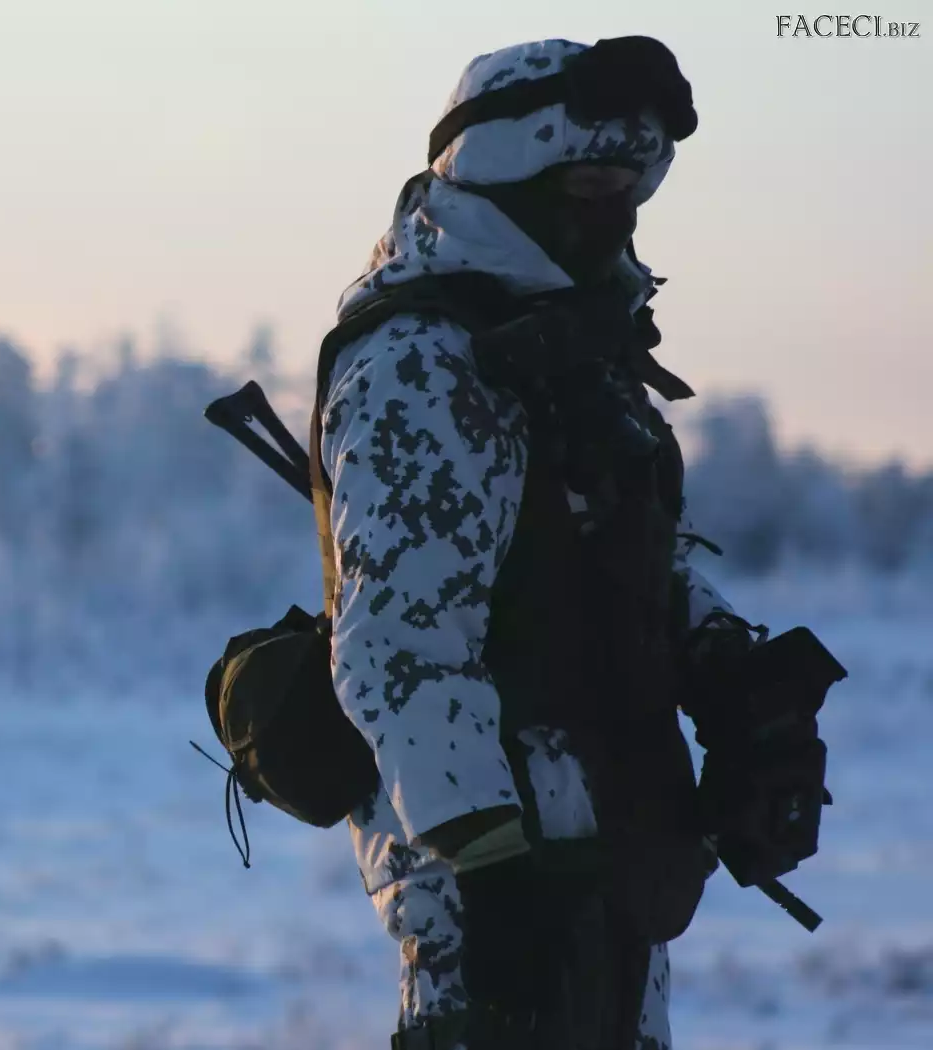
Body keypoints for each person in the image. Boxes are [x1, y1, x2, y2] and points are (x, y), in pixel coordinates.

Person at [313, 36, 755, 1048]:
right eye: (589, 186)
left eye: (630, 188)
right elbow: (399, 646)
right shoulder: (422, 363)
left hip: (616, 852)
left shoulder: (576, 349)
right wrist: (490, 867)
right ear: (506, 176)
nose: (614, 212)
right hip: (496, 892)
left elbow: (630, 555)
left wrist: (734, 671)